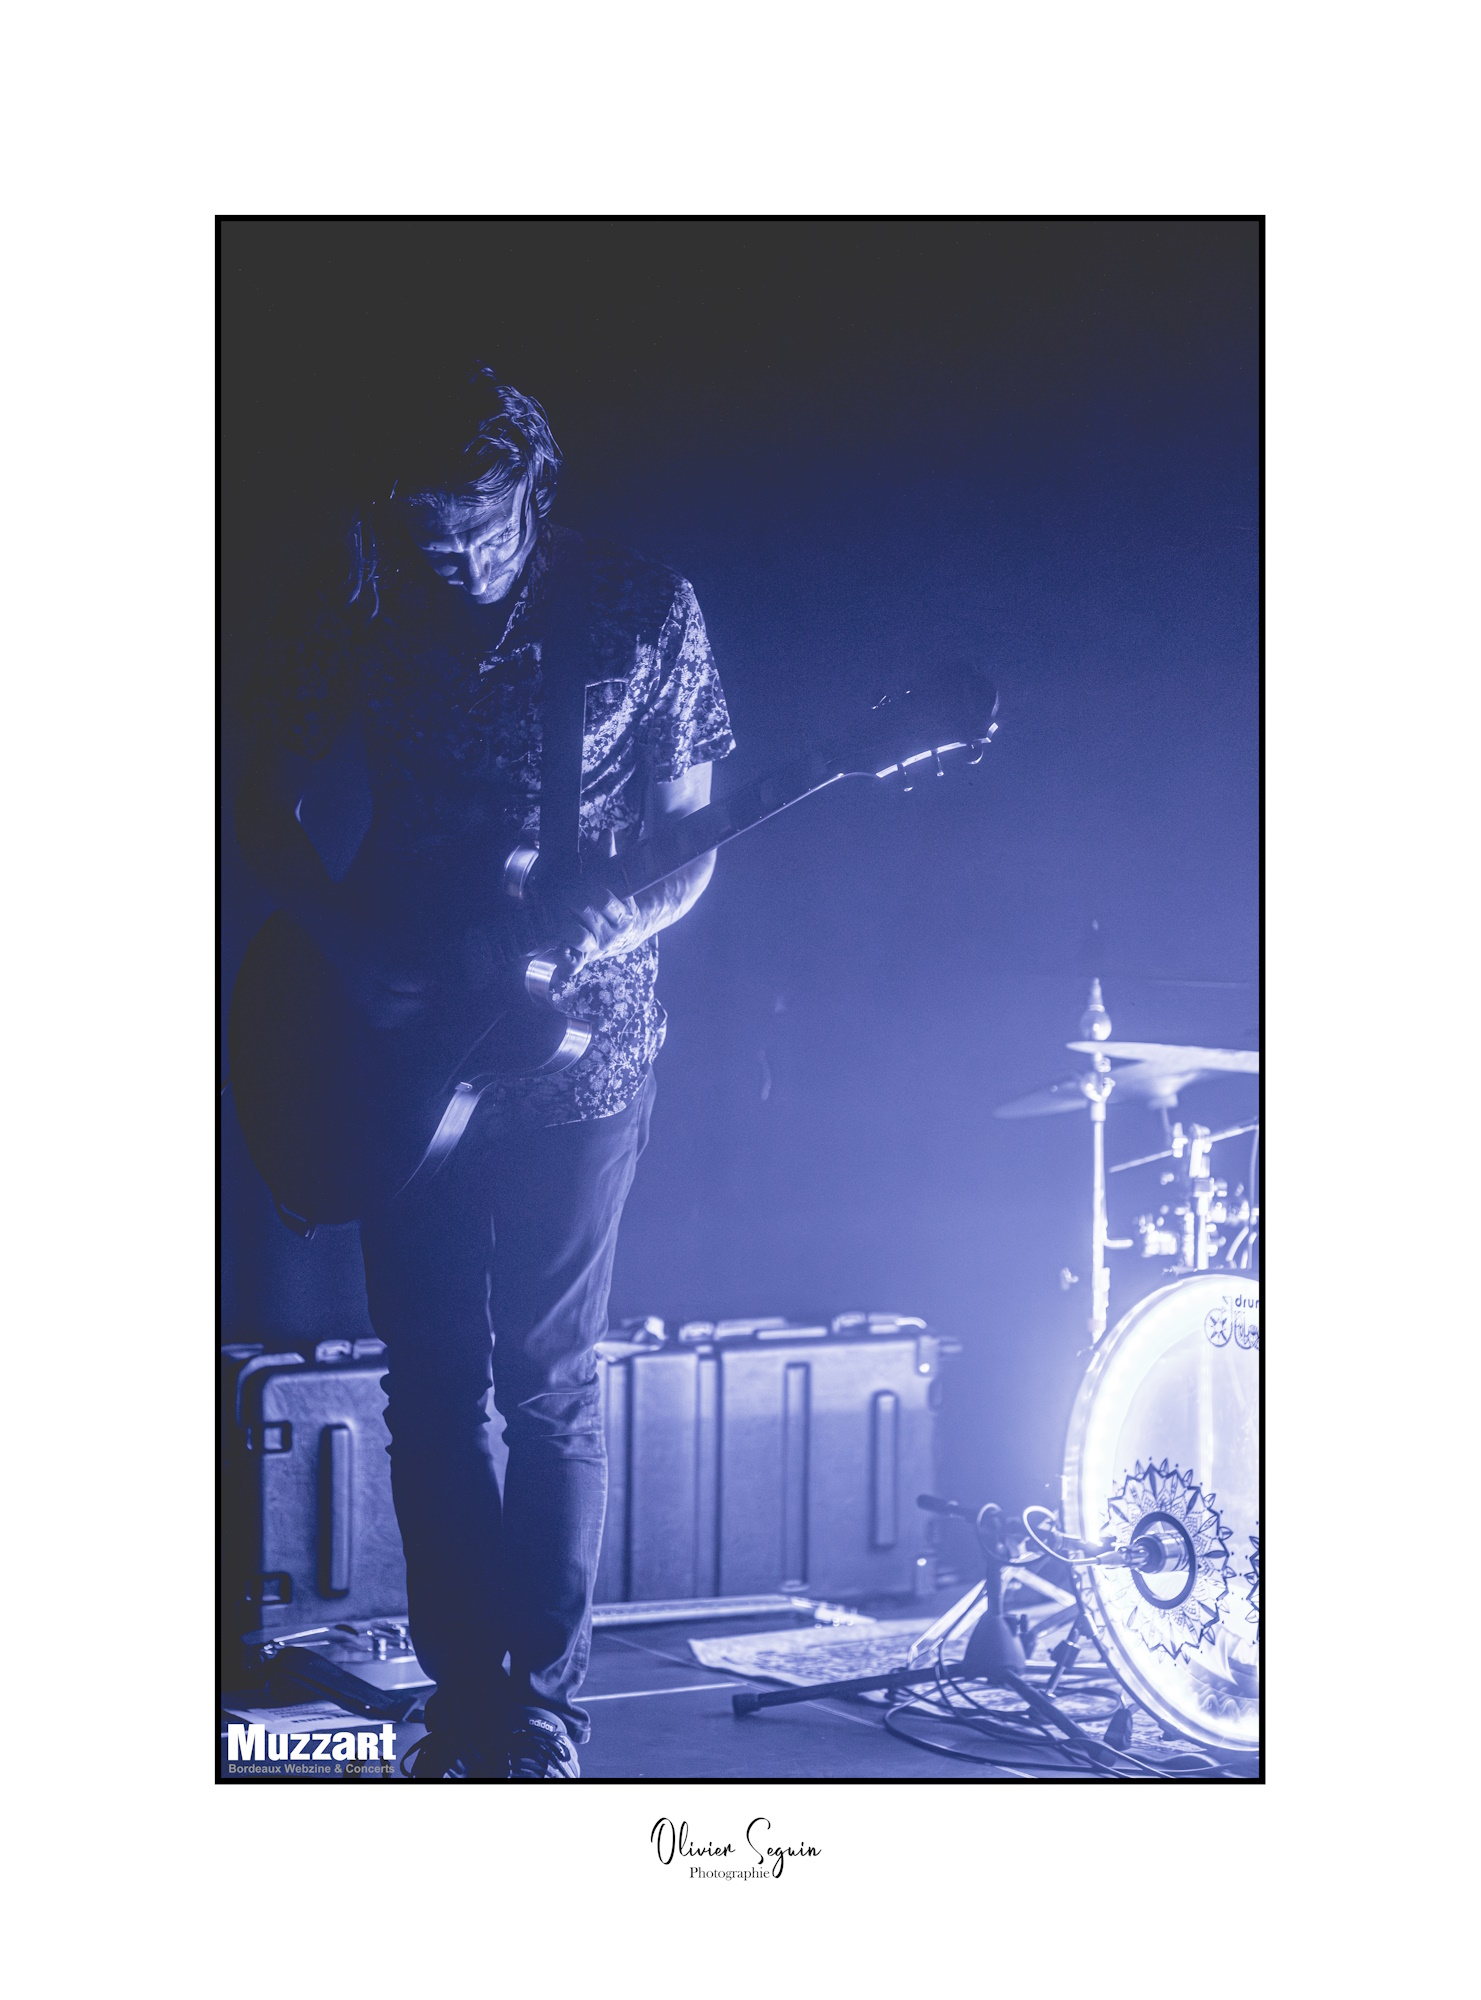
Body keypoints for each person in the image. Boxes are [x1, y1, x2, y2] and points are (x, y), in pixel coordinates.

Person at [235, 364, 734, 1778]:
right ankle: (465, 1703)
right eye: (425, 527)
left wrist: (615, 922)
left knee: (548, 1381)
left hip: (583, 1049)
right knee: (433, 1383)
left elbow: (692, 842)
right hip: (395, 1039)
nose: (451, 553)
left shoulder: (641, 608)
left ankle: (546, 1713)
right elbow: (258, 803)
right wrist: (343, 942)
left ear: (535, 483)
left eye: (480, 522)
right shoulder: (358, 594)